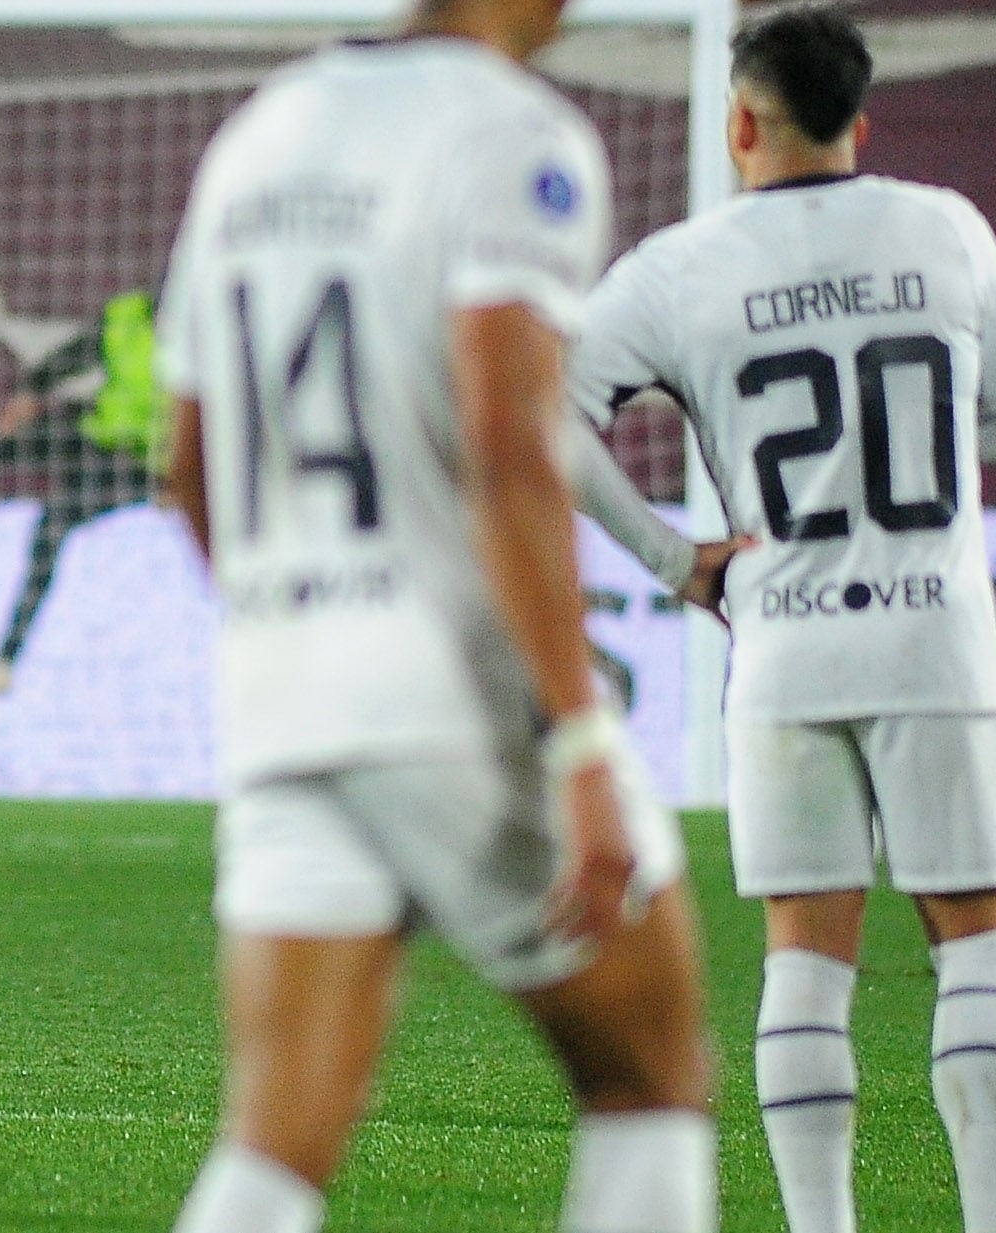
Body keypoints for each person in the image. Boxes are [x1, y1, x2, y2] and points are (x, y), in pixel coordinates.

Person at [156, 2, 723, 1231]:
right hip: (454, 694)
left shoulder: (262, 132)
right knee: (651, 1078)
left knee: (276, 1139)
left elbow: (186, 465)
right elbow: (512, 442)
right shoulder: (513, 134)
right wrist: (580, 735)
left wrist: (300, 627)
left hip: (282, 693)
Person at [569, 9, 996, 1232]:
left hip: (782, 641)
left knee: (806, 959)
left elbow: (540, 419)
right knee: (981, 950)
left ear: (740, 121)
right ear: (859, 124)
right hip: (937, 637)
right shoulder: (946, 228)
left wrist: (676, 559)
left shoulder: (680, 267)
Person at [0, 289, 163, 696]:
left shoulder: (201, 328)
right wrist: (31, 393)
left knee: (53, 524)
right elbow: (71, 358)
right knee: (14, 443)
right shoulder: (126, 316)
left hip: (150, 464)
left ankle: (5, 658)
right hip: (102, 441)